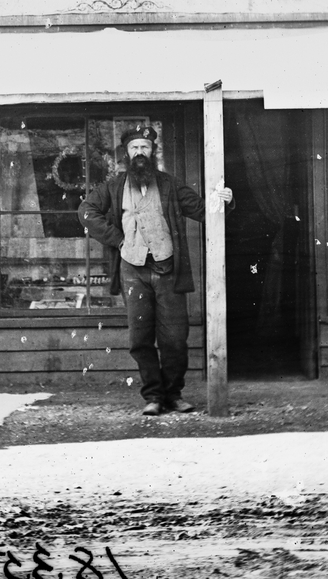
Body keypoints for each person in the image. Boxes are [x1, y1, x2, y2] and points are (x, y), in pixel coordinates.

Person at [79, 126, 232, 416]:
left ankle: (173, 394)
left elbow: (203, 211)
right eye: (134, 148)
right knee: (140, 338)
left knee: (175, 338)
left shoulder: (169, 185)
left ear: (153, 152)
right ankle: (153, 396)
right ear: (126, 153)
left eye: (145, 147)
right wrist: (118, 239)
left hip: (167, 270)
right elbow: (86, 212)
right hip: (132, 272)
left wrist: (224, 199)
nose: (139, 153)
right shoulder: (113, 187)